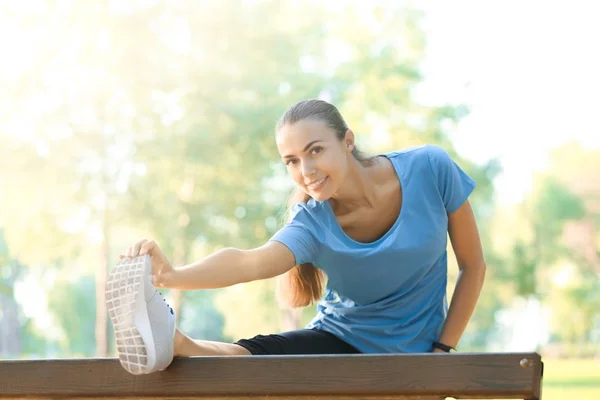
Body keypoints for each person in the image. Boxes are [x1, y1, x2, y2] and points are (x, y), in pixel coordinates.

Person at [106, 99, 487, 375]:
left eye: (315, 150)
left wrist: (441, 351)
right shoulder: (312, 222)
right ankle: (176, 343)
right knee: (260, 356)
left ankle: (176, 342)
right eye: (291, 161)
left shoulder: (430, 169)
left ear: (348, 141)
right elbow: (251, 261)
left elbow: (473, 267)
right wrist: (170, 276)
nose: (305, 170)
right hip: (340, 341)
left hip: (418, 353)